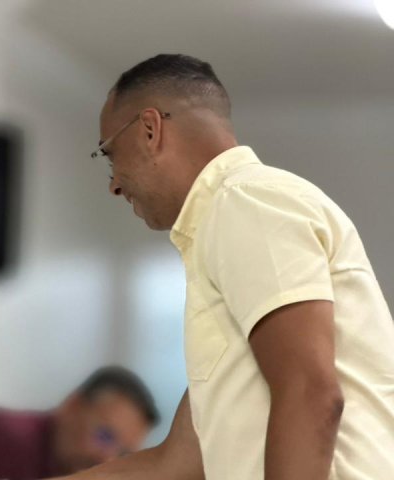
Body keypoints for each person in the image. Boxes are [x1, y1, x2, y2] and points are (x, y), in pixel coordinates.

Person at [47, 54, 394, 480]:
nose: (114, 183)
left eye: (110, 154)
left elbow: (310, 393)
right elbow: (175, 462)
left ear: (150, 129)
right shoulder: (228, 218)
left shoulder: (243, 202)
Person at [0, 366, 159, 480]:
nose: (107, 459)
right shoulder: (2, 441)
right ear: (72, 406)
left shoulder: (61, 469)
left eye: (123, 454)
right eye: (105, 436)